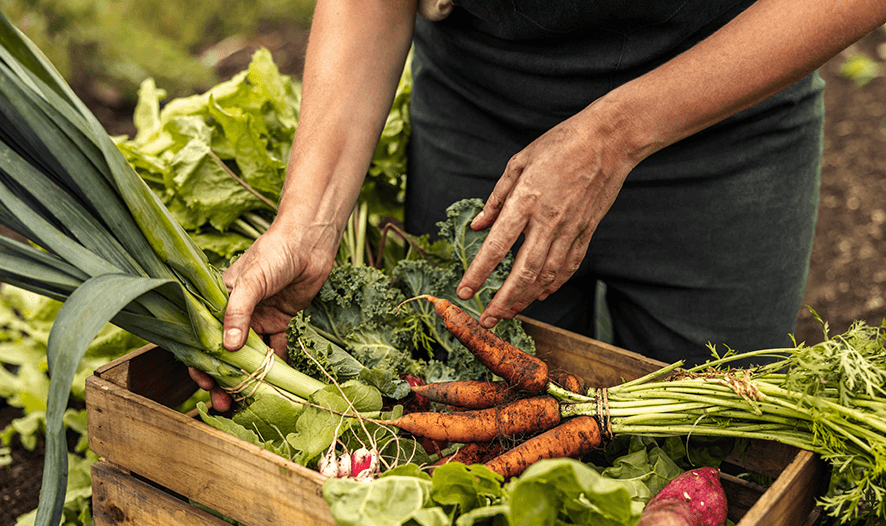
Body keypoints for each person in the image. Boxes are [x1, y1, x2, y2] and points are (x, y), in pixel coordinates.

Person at [191, 0, 886, 412]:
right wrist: (308, 222)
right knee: (481, 414)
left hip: (727, 115)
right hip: (483, 115)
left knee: (715, 453)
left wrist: (613, 136)